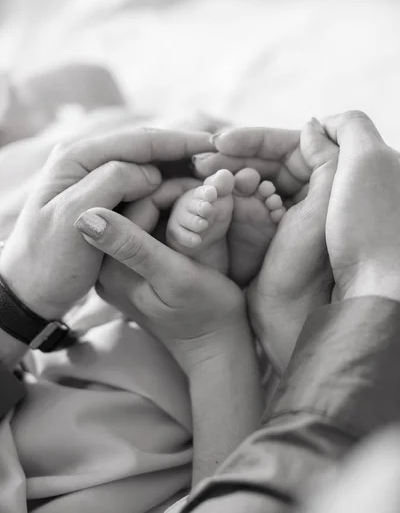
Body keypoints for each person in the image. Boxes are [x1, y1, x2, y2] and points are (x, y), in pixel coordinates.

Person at [77, 111, 400, 513]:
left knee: (131, 111)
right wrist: (376, 278)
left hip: (128, 351)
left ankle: (231, 275)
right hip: (213, 395)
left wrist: (21, 296)